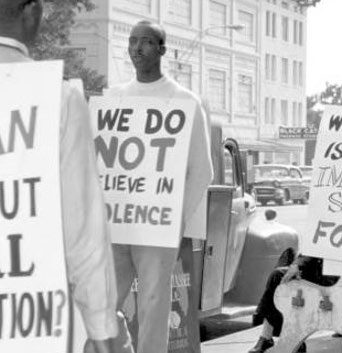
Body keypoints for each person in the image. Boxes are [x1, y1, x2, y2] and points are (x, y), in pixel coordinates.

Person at [0, 1, 118, 352]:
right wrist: (101, 328)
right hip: (28, 319)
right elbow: (83, 231)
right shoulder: (59, 97)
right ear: (32, 13)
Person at [105, 20, 214, 353]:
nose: (137, 48)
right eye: (133, 41)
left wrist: (175, 218)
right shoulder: (115, 97)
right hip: (116, 222)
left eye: (147, 42)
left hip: (157, 226)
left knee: (154, 307)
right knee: (101, 302)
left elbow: (202, 170)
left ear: (162, 50)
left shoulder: (184, 101)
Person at [248, 210, 340, 353]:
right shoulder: (327, 219)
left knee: (280, 277)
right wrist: (296, 265)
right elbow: (312, 249)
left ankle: (271, 335)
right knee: (279, 276)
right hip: (317, 272)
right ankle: (270, 336)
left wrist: (298, 265)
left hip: (334, 279)